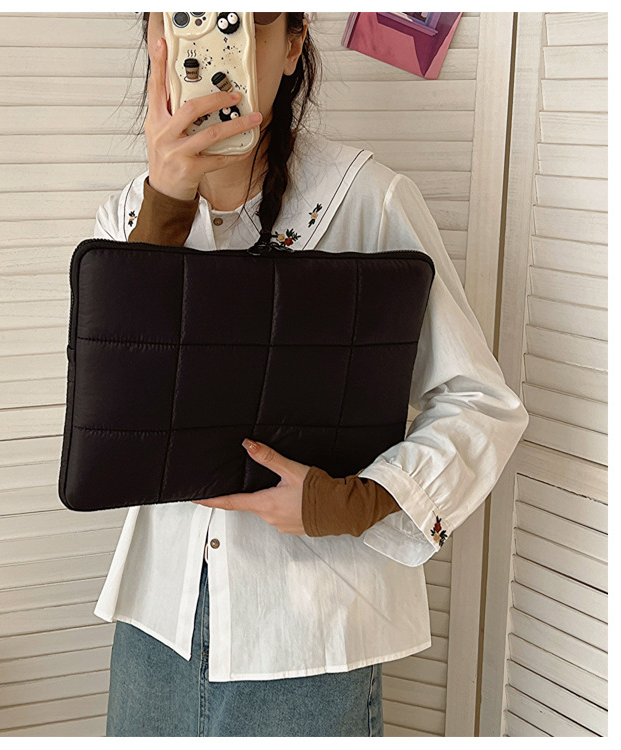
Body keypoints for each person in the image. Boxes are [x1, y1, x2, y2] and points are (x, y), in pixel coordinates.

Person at [92, 12, 529, 737]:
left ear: (292, 45)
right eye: (185, 19)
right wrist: (166, 206)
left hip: (311, 629)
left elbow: (481, 402)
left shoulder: (368, 200)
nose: (215, 51)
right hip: (159, 617)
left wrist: (354, 501)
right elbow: (119, 402)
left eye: (242, 24)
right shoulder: (126, 217)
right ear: (155, 40)